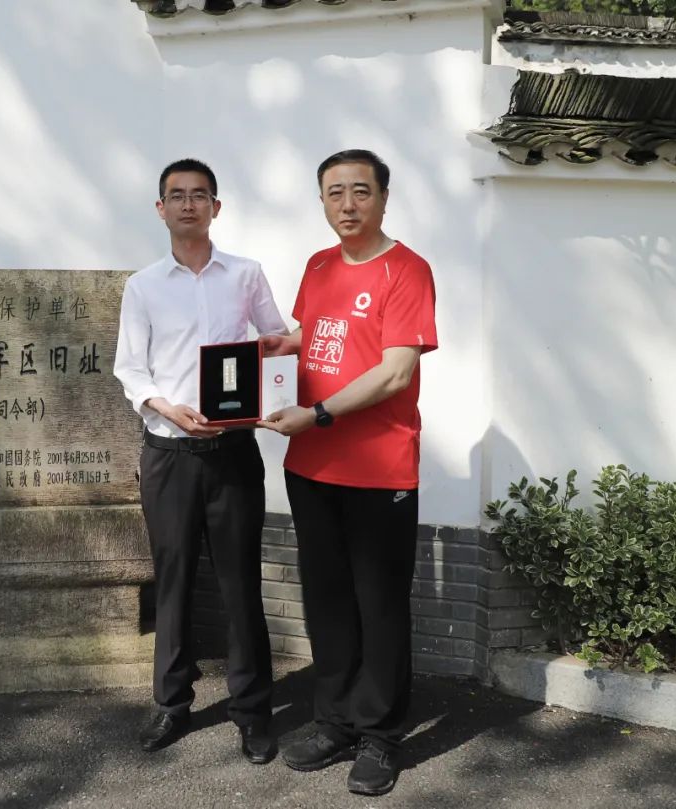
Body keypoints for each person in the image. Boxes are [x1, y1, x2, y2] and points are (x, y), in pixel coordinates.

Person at [258, 149, 437, 796]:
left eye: (361, 191)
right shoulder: (318, 265)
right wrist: (280, 346)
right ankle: (334, 719)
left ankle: (381, 735)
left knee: (379, 604)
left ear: (384, 197)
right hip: (312, 466)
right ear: (322, 202)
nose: (348, 204)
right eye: (334, 193)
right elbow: (315, 333)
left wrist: (318, 413)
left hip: (379, 469)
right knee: (327, 598)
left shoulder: (407, 270)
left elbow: (395, 371)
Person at [114, 158, 287, 764]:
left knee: (241, 583)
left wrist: (268, 393)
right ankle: (171, 703)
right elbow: (131, 368)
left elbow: (276, 341)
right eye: (177, 195)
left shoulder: (245, 275)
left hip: (233, 452)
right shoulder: (143, 286)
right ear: (160, 208)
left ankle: (253, 711)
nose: (188, 204)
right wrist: (167, 407)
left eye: (199, 195)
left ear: (217, 206)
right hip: (169, 454)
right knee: (175, 580)